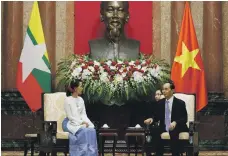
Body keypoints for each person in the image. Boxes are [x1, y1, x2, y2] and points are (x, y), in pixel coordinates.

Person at [144, 80, 188, 156]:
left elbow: (184, 118)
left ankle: (175, 154)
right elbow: (156, 117)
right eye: (163, 89)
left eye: (166, 89)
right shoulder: (160, 103)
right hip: (164, 126)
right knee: (154, 130)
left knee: (173, 131)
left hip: (177, 126)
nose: (163, 91)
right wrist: (151, 119)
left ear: (172, 90)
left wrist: (175, 122)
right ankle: (157, 153)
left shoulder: (180, 103)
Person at [62, 79, 98, 156]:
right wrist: (81, 123)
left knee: (92, 130)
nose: (82, 88)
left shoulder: (81, 100)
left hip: (80, 122)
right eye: (81, 86)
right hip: (69, 123)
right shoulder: (67, 100)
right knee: (84, 131)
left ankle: (91, 154)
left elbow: (83, 115)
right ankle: (81, 153)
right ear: (75, 88)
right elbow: (70, 117)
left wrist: (88, 123)